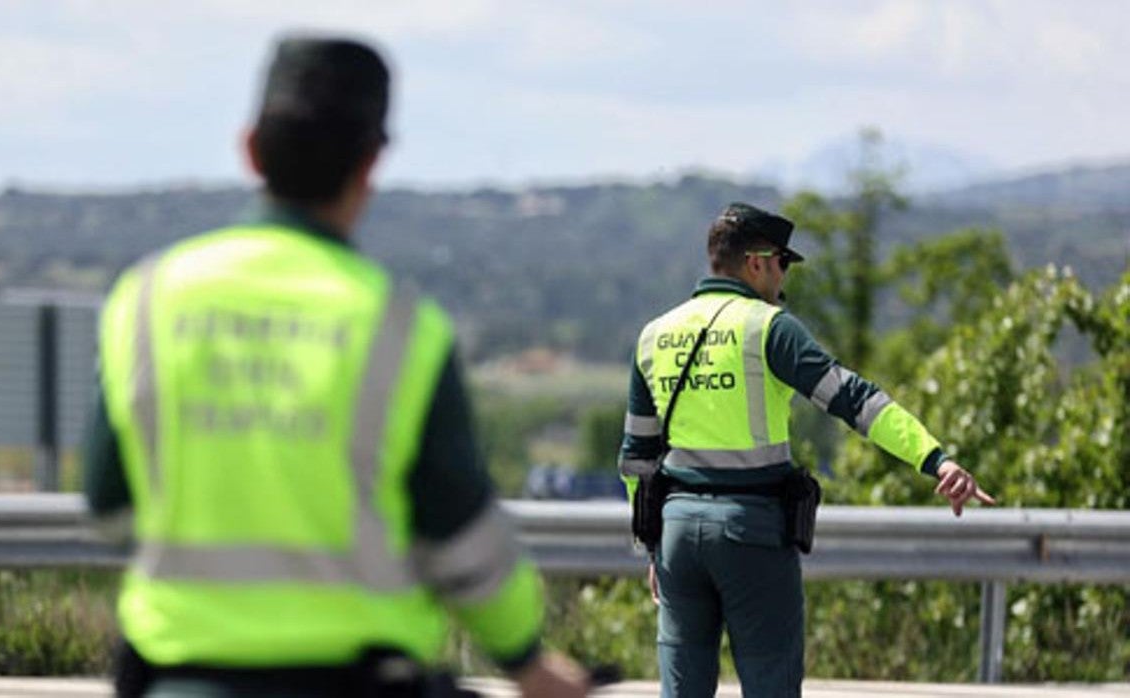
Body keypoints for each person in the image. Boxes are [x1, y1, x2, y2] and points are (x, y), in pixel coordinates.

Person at [83, 34, 589, 698]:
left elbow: (110, 507)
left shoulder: (147, 299)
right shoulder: (401, 327)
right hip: (359, 680)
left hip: (180, 679)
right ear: (370, 163)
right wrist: (525, 657)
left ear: (250, 150)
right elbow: (462, 537)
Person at [617, 202, 995, 698]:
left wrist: (652, 546)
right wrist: (935, 457)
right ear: (756, 262)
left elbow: (636, 459)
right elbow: (855, 400)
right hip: (750, 533)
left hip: (678, 538)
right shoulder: (769, 327)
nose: (783, 277)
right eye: (782, 263)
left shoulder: (654, 336)